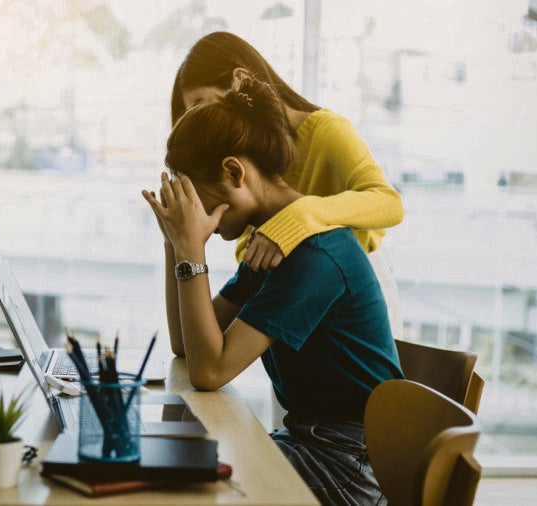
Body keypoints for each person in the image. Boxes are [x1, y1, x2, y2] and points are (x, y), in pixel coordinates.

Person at [142, 76, 404, 506]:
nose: (193, 210)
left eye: (194, 195)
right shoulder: (271, 241)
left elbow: (211, 372)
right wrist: (176, 244)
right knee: (167, 466)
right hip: (311, 442)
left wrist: (191, 249)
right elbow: (186, 346)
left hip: (348, 465)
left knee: (180, 489)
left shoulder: (311, 255)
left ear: (233, 172)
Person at [170, 31, 405, 338]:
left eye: (200, 105)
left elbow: (389, 202)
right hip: (295, 293)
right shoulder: (250, 166)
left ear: (239, 81)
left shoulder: (325, 131)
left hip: (351, 300)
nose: (199, 123)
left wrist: (298, 216)